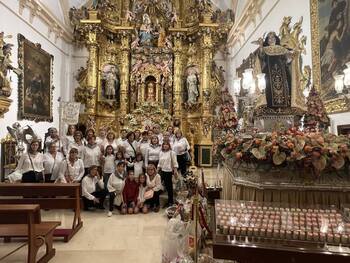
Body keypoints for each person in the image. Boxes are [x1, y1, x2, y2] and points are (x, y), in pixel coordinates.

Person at [258, 31, 292, 108]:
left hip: (282, 73)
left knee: (285, 86)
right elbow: (261, 56)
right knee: (268, 88)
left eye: (273, 37)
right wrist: (260, 45)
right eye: (269, 38)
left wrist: (291, 57)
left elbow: (288, 59)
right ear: (267, 40)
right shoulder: (265, 49)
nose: (271, 39)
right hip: (269, 73)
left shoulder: (281, 49)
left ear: (276, 39)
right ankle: (270, 107)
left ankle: (284, 106)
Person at [158, 142, 178, 207]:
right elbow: (159, 163)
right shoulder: (161, 153)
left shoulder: (172, 153)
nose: (165, 146)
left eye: (166, 145)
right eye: (164, 145)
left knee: (169, 187)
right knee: (159, 186)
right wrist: (157, 170)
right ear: (163, 146)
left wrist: (175, 170)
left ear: (169, 146)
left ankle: (170, 201)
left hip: (169, 171)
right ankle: (158, 202)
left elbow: (175, 162)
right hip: (162, 171)